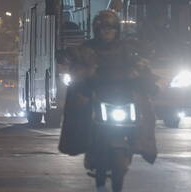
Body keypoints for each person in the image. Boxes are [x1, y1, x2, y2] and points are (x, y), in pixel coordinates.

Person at [58, 10, 159, 177]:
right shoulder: (87, 49)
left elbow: (141, 67)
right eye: (103, 29)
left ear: (116, 30)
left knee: (146, 110)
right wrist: (81, 73)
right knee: (79, 107)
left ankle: (141, 144)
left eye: (110, 28)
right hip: (96, 95)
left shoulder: (127, 49)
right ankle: (84, 144)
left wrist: (148, 82)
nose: (107, 32)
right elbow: (77, 66)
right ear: (96, 31)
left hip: (122, 96)